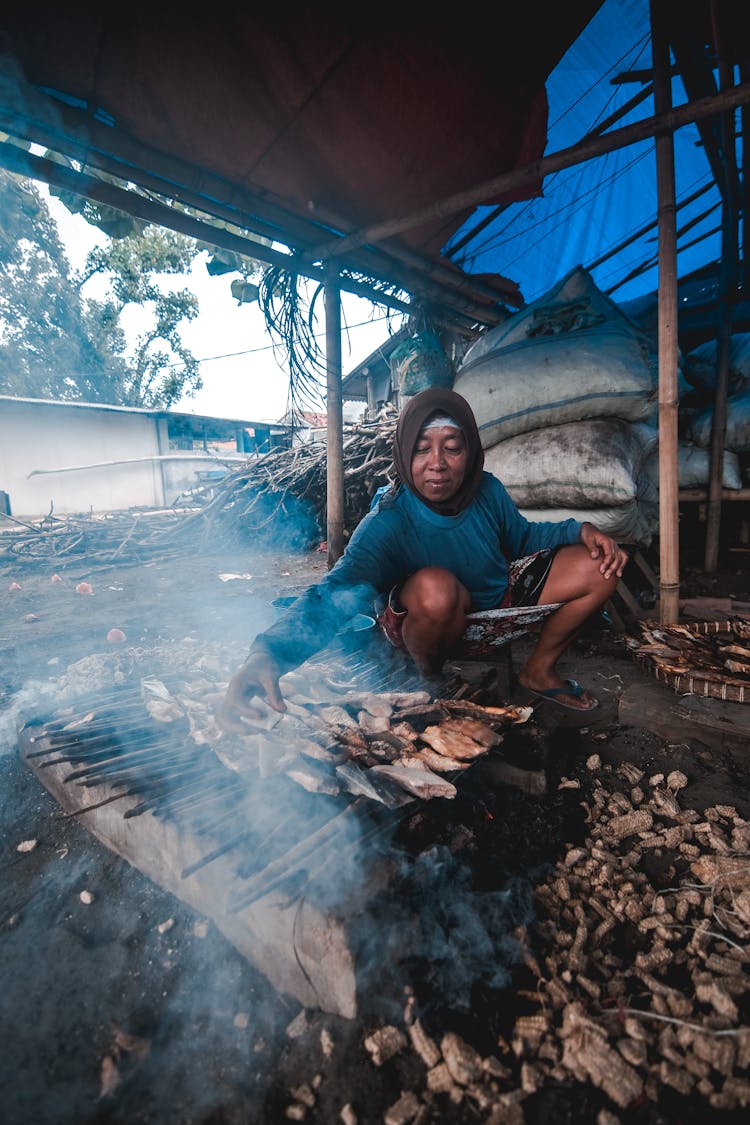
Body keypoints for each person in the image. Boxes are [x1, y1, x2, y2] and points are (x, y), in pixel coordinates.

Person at [218, 387, 628, 730]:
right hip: (425, 628)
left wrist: (580, 530)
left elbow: (521, 538)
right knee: (436, 588)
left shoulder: (486, 491)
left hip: (494, 616)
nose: (437, 463)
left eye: (452, 448)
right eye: (421, 449)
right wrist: (268, 654)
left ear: (470, 454)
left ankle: (537, 670)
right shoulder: (390, 519)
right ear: (402, 452)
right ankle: (430, 677)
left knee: (600, 565)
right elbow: (338, 591)